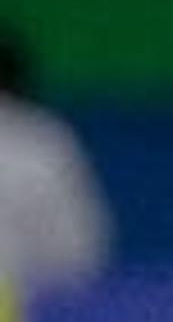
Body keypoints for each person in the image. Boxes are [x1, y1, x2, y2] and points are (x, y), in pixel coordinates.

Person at [0, 22, 113, 299]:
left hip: (18, 319)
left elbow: (77, 256)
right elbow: (79, 256)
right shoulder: (45, 141)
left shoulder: (40, 143)